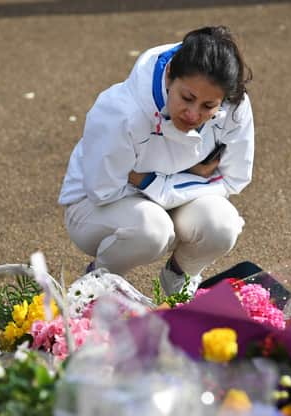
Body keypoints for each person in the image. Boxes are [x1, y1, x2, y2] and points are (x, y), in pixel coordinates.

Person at [58, 26, 254, 296]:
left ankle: (180, 283)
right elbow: (105, 190)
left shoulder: (235, 107)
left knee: (222, 225)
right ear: (170, 74)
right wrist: (194, 174)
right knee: (153, 230)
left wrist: (142, 177)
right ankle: (95, 286)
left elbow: (235, 179)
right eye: (187, 98)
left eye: (209, 106)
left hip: (154, 195)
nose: (194, 114)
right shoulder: (121, 111)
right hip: (95, 205)